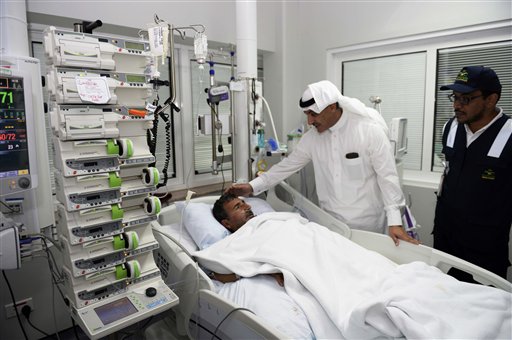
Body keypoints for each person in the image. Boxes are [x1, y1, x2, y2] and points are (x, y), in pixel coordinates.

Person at [226, 80, 418, 245]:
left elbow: (388, 177)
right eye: (307, 114)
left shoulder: (368, 131)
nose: (309, 121)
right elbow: (286, 167)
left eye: (313, 114)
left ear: (332, 107)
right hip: (331, 225)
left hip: (369, 225)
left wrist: (395, 221)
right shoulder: (312, 139)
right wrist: (251, 186)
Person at [434, 66, 512, 281]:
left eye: (466, 99)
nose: (456, 105)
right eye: (455, 97)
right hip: (445, 241)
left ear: (491, 99)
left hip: (484, 249)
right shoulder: (449, 127)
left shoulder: (509, 134)